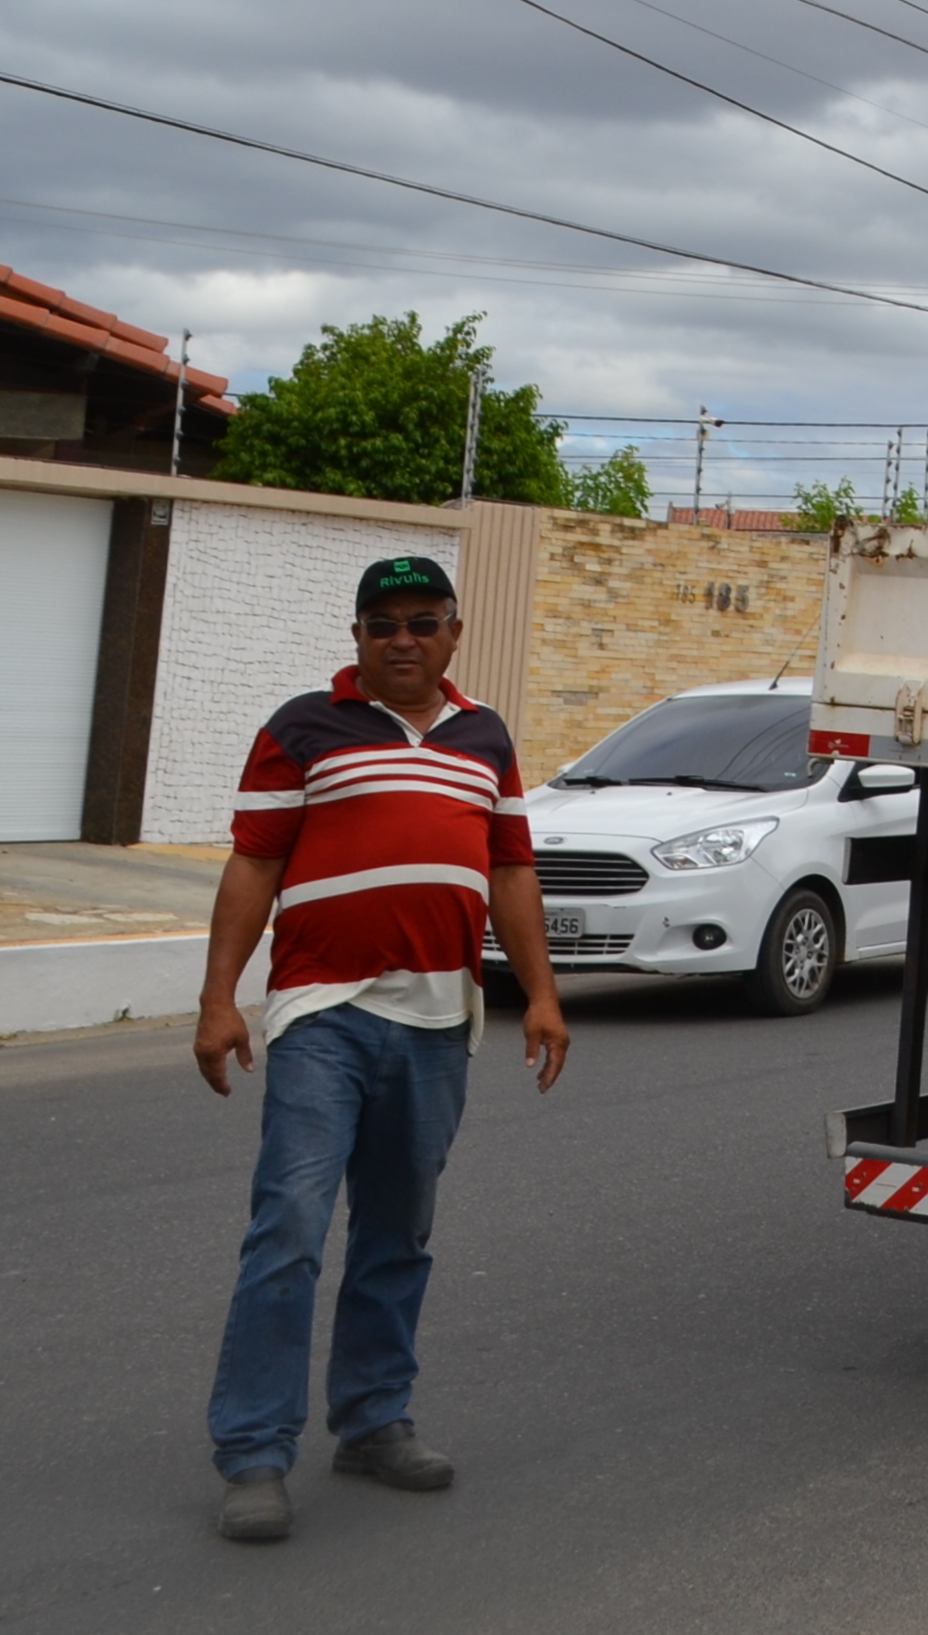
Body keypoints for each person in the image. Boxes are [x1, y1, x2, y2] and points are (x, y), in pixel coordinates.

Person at [190, 554, 566, 1547]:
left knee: (399, 1235)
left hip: (440, 1021)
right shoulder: (302, 728)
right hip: (325, 1014)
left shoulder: (486, 739)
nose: (403, 639)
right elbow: (254, 863)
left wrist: (542, 997)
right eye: (382, 623)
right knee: (291, 1230)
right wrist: (218, 1000)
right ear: (356, 637)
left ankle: (372, 1419)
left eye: (422, 622)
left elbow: (512, 872)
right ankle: (255, 1454)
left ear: (452, 634)